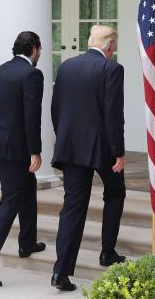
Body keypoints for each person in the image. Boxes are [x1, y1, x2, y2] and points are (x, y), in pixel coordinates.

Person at [50, 25, 126, 291]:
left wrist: (64, 139)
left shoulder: (66, 67)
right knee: (115, 193)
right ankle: (107, 251)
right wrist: (119, 152)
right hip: (104, 149)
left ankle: (60, 272)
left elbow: (55, 108)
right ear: (111, 47)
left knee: (73, 207)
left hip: (71, 148)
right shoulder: (112, 69)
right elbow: (113, 114)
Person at [0, 31, 47, 287]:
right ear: (35, 49)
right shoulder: (32, 74)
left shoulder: (0, 71)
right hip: (15, 147)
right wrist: (35, 150)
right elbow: (31, 116)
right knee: (13, 198)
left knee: (27, 186)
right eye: (40, 50)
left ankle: (27, 242)